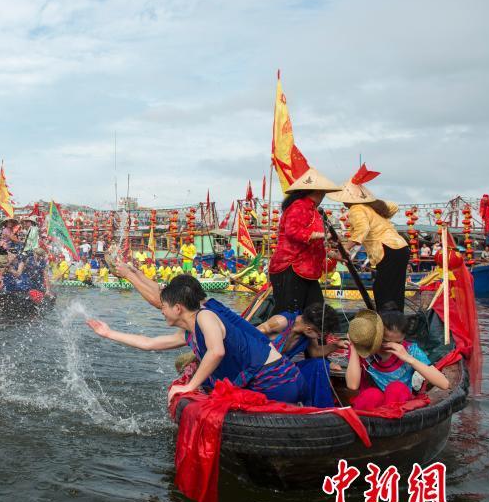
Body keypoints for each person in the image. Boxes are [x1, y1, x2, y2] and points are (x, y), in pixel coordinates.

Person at [87, 273, 304, 403]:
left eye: (164, 306)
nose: (161, 311)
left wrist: (189, 387)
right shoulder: (190, 330)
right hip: (264, 382)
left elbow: (216, 351)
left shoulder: (206, 316)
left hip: (276, 382)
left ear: (178, 308)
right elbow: (150, 343)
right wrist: (108, 333)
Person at [329, 171, 410, 312]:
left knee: (383, 292)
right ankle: (396, 324)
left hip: (387, 249)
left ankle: (388, 324)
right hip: (401, 248)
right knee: (395, 291)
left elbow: (362, 229)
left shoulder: (356, 208)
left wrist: (346, 247)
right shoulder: (371, 208)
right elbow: (393, 207)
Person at [268, 168, 342, 314]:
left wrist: (333, 254)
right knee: (289, 313)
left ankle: (312, 337)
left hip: (306, 269)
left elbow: (313, 244)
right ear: (318, 192)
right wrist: (324, 236)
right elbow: (293, 231)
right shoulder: (299, 206)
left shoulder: (314, 211)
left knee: (316, 312)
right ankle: (280, 337)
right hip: (290, 267)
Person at [345, 309, 449, 411]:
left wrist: (409, 358)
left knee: (396, 389)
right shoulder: (365, 349)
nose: (391, 346)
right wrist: (354, 346)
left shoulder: (410, 350)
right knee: (372, 395)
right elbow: (352, 385)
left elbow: (444, 384)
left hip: (399, 406)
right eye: (385, 341)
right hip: (370, 406)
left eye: (397, 343)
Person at [257, 303, 343, 407]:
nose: (319, 338)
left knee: (320, 364)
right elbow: (248, 336)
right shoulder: (280, 322)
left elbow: (315, 352)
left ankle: (321, 409)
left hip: (283, 369)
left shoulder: (308, 332)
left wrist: (336, 345)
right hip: (260, 370)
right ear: (309, 330)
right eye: (320, 335)